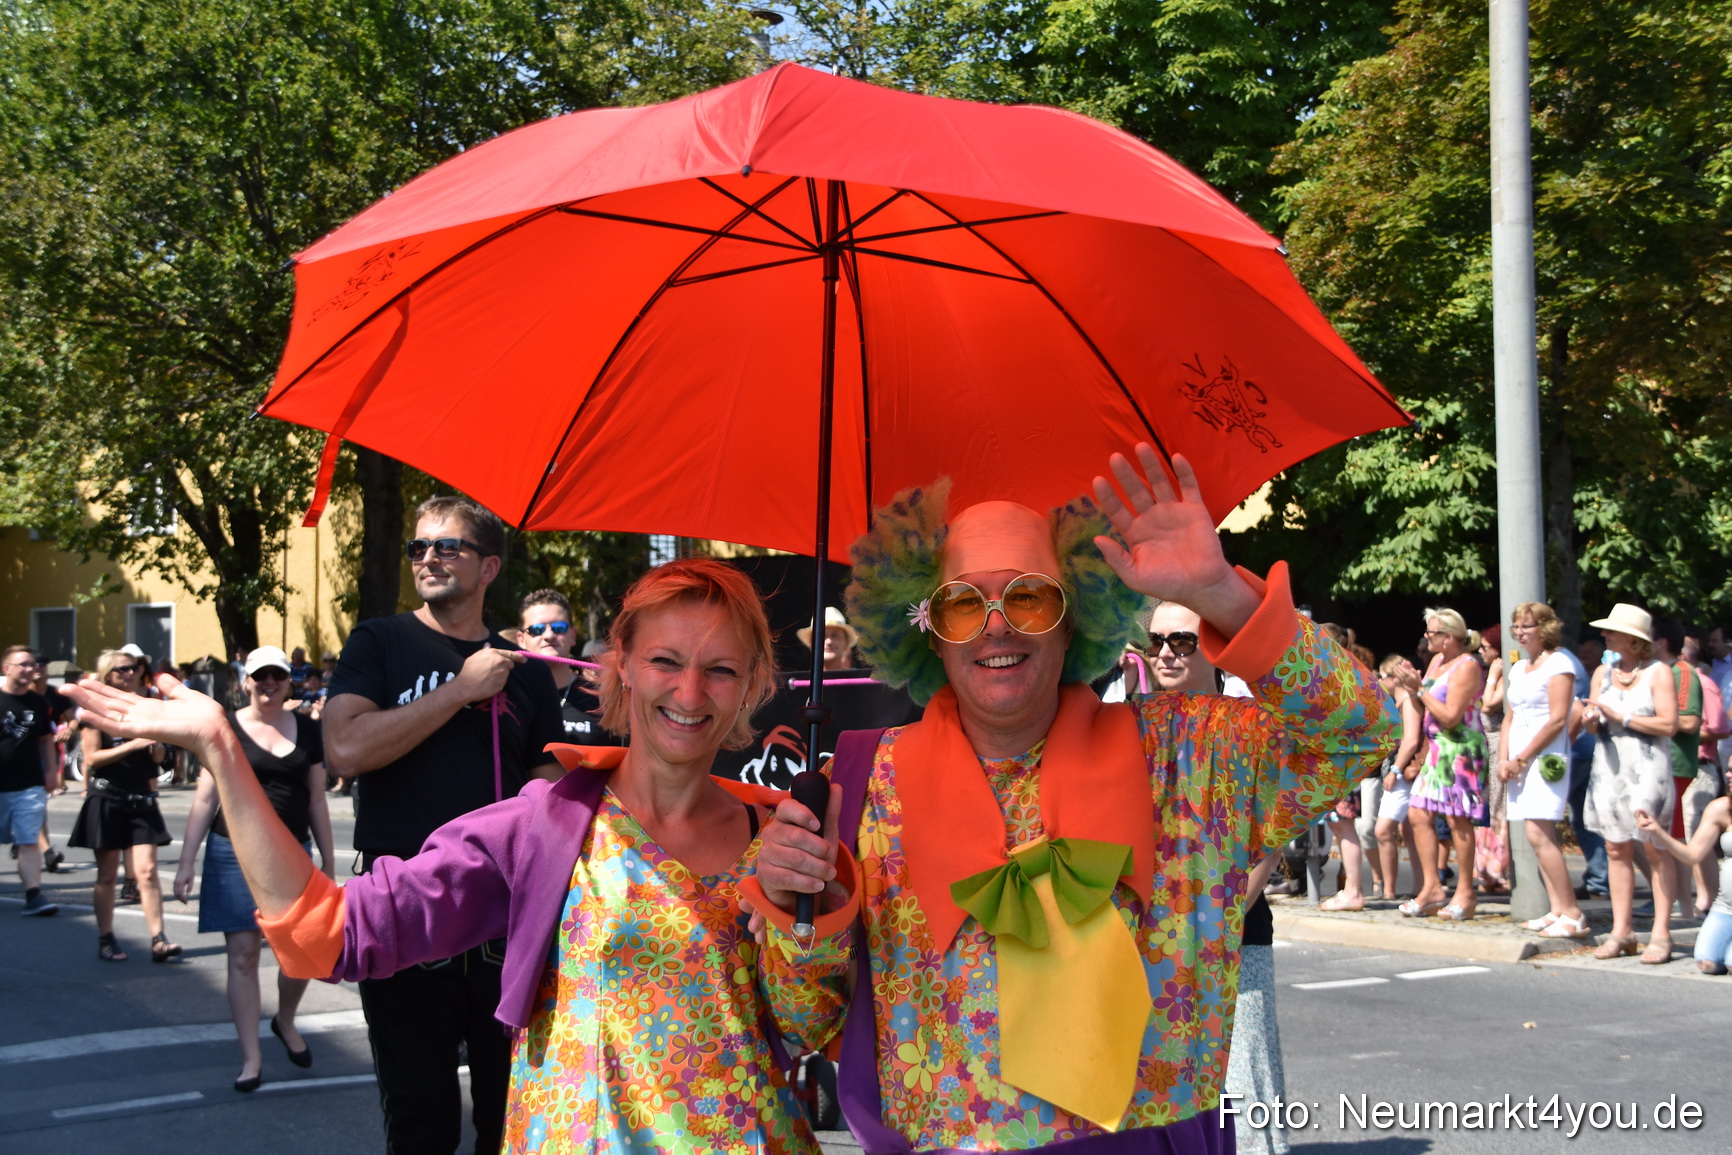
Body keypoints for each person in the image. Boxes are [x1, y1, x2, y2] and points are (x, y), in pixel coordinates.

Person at [64, 557, 836, 1154]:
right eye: (667, 660)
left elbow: (810, 1028)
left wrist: (792, 904)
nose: (691, 690)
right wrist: (221, 749)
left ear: (752, 688)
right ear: (621, 665)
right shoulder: (543, 826)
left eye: (722, 669)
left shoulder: (785, 835)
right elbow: (325, 933)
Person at [749, 450, 1395, 1150]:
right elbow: (803, 1022)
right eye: (962, 604)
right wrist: (796, 912)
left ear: (1072, 619)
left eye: (1029, 597)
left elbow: (1358, 730)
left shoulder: (1184, 756)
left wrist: (1218, 592)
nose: (997, 626)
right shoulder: (859, 785)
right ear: (929, 633)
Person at [319, 494, 566, 1155]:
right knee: (420, 1119)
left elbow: (548, 779)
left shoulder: (526, 671)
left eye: (446, 546)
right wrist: (459, 690)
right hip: (403, 905)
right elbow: (344, 748)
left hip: (502, 916)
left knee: (510, 1116)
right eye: (418, 546)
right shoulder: (380, 641)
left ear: (489, 567)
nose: (427, 557)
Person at [174, 646, 335, 1092]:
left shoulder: (307, 729)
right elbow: (206, 797)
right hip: (232, 853)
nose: (269, 684)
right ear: (246, 681)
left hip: (292, 854)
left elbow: (317, 798)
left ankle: (285, 1020)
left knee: (302, 952)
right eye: (260, 676)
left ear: (289, 682)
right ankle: (251, 1058)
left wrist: (327, 855)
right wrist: (187, 860)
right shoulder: (226, 728)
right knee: (243, 955)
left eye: (277, 677)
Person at [1582, 602, 1679, 963]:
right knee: (1615, 848)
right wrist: (1590, 717)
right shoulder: (1603, 673)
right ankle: (1622, 931)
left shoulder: (1658, 673)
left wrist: (1620, 715)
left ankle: (1661, 933)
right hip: (1608, 767)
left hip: (1648, 766)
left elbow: (1669, 724)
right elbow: (1592, 725)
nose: (1604, 634)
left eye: (1611, 630)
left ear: (1632, 638)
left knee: (1654, 847)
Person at [70, 650, 180, 961]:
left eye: (134, 668)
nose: (130, 674)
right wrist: (132, 744)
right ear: (107, 676)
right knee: (107, 874)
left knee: (146, 871)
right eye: (121, 670)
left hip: (142, 799)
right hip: (107, 798)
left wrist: (156, 744)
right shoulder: (96, 713)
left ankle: (159, 939)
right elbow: (92, 758)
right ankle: (106, 937)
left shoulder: (146, 708)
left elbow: (160, 761)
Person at [1499, 603, 1590, 939]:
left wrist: (1522, 757)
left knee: (1540, 834)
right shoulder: (1519, 667)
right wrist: (1504, 759)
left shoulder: (1561, 664)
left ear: (1546, 627)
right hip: (1518, 759)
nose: (1521, 632)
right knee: (1534, 836)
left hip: (1547, 758)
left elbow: (1557, 719)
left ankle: (1573, 913)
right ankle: (1556, 909)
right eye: (1516, 627)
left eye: (1527, 626)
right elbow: (1509, 717)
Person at [1392, 609, 1486, 921]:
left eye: (1431, 634)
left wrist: (1418, 690)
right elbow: (1425, 707)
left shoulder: (1467, 666)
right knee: (1418, 812)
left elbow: (1449, 715)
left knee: (1458, 819)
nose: (1426, 638)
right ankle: (1431, 887)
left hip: (1460, 748)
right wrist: (1410, 687)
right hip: (1436, 748)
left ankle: (1465, 892)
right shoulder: (1436, 662)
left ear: (1448, 637)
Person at [1636, 793, 1732, 974]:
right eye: (1728, 770)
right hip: (1725, 908)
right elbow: (1691, 855)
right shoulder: (1720, 808)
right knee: (1707, 964)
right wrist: (1658, 832)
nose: (1728, 775)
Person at [519, 587, 620, 745]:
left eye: (559, 628)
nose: (549, 636)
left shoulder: (601, 699)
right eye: (537, 629)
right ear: (521, 640)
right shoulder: (509, 697)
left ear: (573, 635)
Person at [1, 647, 59, 916]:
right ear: (6, 668)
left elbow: (46, 739)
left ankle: (34, 894)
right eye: (22, 664)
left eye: (32, 665)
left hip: (28, 785)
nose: (29, 669)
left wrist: (51, 772)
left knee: (28, 840)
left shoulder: (39, 703)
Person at [1652, 619, 1702, 915]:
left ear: (1660, 642)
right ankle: (1667, 898)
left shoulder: (1682, 672)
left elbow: (1689, 720)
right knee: (1653, 836)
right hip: (1656, 763)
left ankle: (1683, 904)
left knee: (1673, 836)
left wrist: (1648, 719)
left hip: (1676, 764)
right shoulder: (1656, 672)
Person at [1374, 654, 1423, 905]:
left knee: (1382, 830)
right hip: (1403, 772)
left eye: (1383, 677)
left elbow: (1411, 739)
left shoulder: (1406, 700)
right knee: (1409, 830)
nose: (1380, 681)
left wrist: (1396, 770)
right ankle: (1418, 886)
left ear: (1395, 678)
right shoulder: (1400, 701)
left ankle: (1390, 890)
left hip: (1405, 772)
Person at [1475, 625, 1510, 893]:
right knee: (1485, 809)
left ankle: (1501, 868)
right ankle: (1486, 869)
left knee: (1500, 809)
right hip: (1484, 745)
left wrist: (1495, 674)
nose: (1481, 651)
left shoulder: (1502, 676)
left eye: (1486, 647)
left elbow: (1488, 704)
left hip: (1498, 743)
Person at [797, 605, 859, 673]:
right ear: (811, 643)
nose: (829, 642)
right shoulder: (799, 682)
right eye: (821, 636)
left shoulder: (861, 681)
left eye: (835, 635)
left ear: (846, 643)